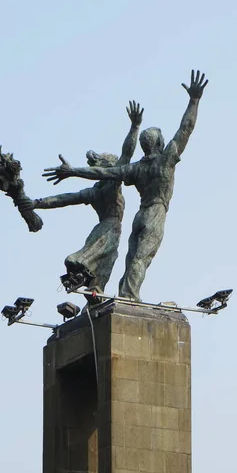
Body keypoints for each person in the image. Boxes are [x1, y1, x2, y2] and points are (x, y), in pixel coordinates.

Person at [43, 70, 208, 301]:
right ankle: (130, 297)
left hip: (139, 215)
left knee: (132, 258)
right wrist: (194, 100)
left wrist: (73, 171)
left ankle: (125, 294)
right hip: (155, 212)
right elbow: (185, 129)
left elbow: (104, 172)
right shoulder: (167, 158)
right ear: (160, 143)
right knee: (141, 258)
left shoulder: (137, 168)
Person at [34, 101, 143, 293]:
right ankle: (82, 273)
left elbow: (66, 199)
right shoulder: (111, 184)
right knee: (93, 258)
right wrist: (134, 127)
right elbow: (126, 154)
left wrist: (37, 203)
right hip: (109, 229)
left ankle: (95, 292)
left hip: (105, 228)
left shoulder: (94, 191)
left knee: (106, 264)